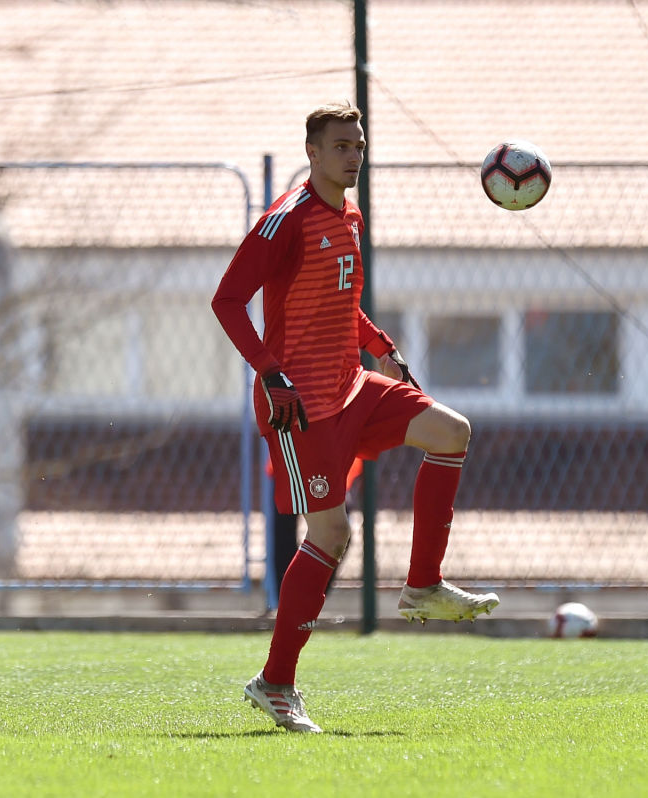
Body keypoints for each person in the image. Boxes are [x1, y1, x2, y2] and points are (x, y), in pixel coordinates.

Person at [211, 101, 499, 734]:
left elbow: (341, 306)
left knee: (452, 432)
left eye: (359, 146)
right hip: (299, 406)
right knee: (331, 535)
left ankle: (423, 585)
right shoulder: (282, 221)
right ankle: (276, 683)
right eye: (341, 146)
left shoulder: (350, 215)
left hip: (351, 384)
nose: (353, 156)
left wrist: (380, 347)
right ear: (312, 152)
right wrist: (268, 369)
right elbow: (227, 299)